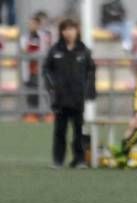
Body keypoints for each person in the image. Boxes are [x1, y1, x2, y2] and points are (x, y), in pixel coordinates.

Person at [43, 18, 96, 169]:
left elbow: (91, 71)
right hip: (60, 99)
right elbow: (46, 70)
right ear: (61, 31)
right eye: (65, 29)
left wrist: (89, 91)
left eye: (71, 29)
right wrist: (53, 87)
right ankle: (58, 160)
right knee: (60, 131)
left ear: (77, 30)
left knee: (78, 131)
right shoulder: (55, 50)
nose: (68, 32)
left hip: (77, 98)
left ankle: (79, 160)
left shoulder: (83, 51)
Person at [21, 12, 51, 123]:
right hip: (30, 70)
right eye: (29, 24)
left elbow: (41, 51)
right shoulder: (25, 37)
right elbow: (24, 51)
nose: (30, 26)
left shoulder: (42, 36)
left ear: (38, 25)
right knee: (31, 92)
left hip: (40, 69)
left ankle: (47, 113)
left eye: (33, 24)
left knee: (44, 92)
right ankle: (33, 114)